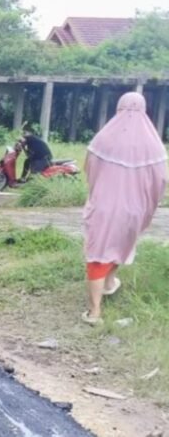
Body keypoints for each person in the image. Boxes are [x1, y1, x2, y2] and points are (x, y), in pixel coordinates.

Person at [81, 92, 167, 324]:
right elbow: (161, 181)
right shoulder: (154, 144)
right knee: (121, 246)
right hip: (134, 210)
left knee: (97, 255)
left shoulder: (102, 139)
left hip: (104, 207)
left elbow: (89, 170)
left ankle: (94, 312)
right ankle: (109, 284)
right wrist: (145, 205)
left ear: (119, 108)